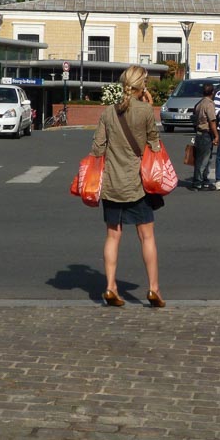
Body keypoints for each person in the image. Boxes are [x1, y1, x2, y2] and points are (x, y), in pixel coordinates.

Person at [90, 65, 166, 308]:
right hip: (139, 186)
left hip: (113, 184)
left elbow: (97, 149)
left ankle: (111, 286)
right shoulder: (145, 111)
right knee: (147, 237)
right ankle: (154, 289)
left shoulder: (108, 113)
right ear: (141, 86)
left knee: (113, 236)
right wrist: (149, 105)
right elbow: (155, 145)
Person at [191, 83, 219, 190]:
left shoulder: (199, 103)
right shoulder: (209, 104)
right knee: (204, 160)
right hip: (206, 134)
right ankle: (198, 182)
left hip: (198, 133)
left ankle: (202, 181)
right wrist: (216, 136)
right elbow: (212, 121)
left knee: (200, 158)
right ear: (213, 92)